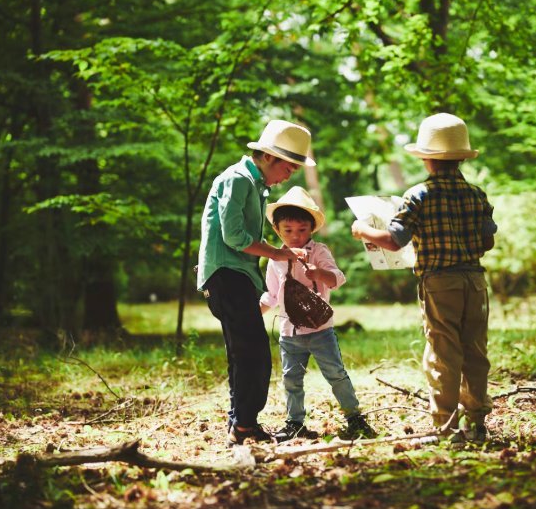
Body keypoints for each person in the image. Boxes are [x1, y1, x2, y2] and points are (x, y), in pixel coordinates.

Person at [351, 113, 497, 443]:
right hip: (475, 281)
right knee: (475, 350)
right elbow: (487, 242)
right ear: (461, 157)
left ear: (427, 159)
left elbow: (394, 240)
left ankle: (446, 427)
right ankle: (477, 423)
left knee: (443, 353)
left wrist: (363, 230)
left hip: (438, 282)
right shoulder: (477, 194)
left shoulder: (418, 195)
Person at [197, 120, 313, 446]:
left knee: (242, 353)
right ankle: (244, 424)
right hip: (227, 275)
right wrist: (279, 252)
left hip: (240, 275)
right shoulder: (237, 180)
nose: (289, 175)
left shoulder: (254, 184)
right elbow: (234, 236)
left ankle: (242, 424)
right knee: (255, 355)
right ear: (268, 157)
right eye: (288, 167)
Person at [260, 186, 377, 441]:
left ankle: (354, 417)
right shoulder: (275, 258)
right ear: (277, 230)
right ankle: (295, 422)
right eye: (288, 230)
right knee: (291, 379)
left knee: (335, 373)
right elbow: (271, 293)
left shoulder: (319, 251)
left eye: (302, 230)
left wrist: (318, 273)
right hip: (289, 331)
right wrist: (256, 310)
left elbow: (338, 278)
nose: (295, 236)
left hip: (320, 329)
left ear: (311, 229)